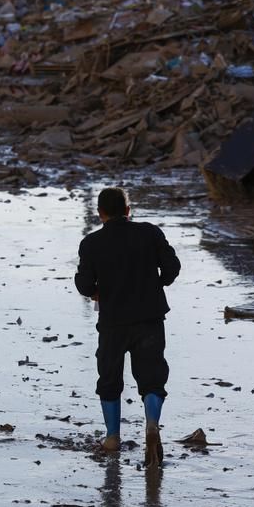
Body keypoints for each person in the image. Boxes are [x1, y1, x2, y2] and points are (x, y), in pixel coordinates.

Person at [74, 187, 180, 468]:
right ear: (128, 211)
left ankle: (112, 438)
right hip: (150, 318)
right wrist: (156, 284)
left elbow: (84, 284)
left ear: (101, 214)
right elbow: (172, 268)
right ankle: (152, 425)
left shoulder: (92, 243)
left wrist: (97, 290)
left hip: (113, 323)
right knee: (153, 378)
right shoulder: (150, 233)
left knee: (109, 379)